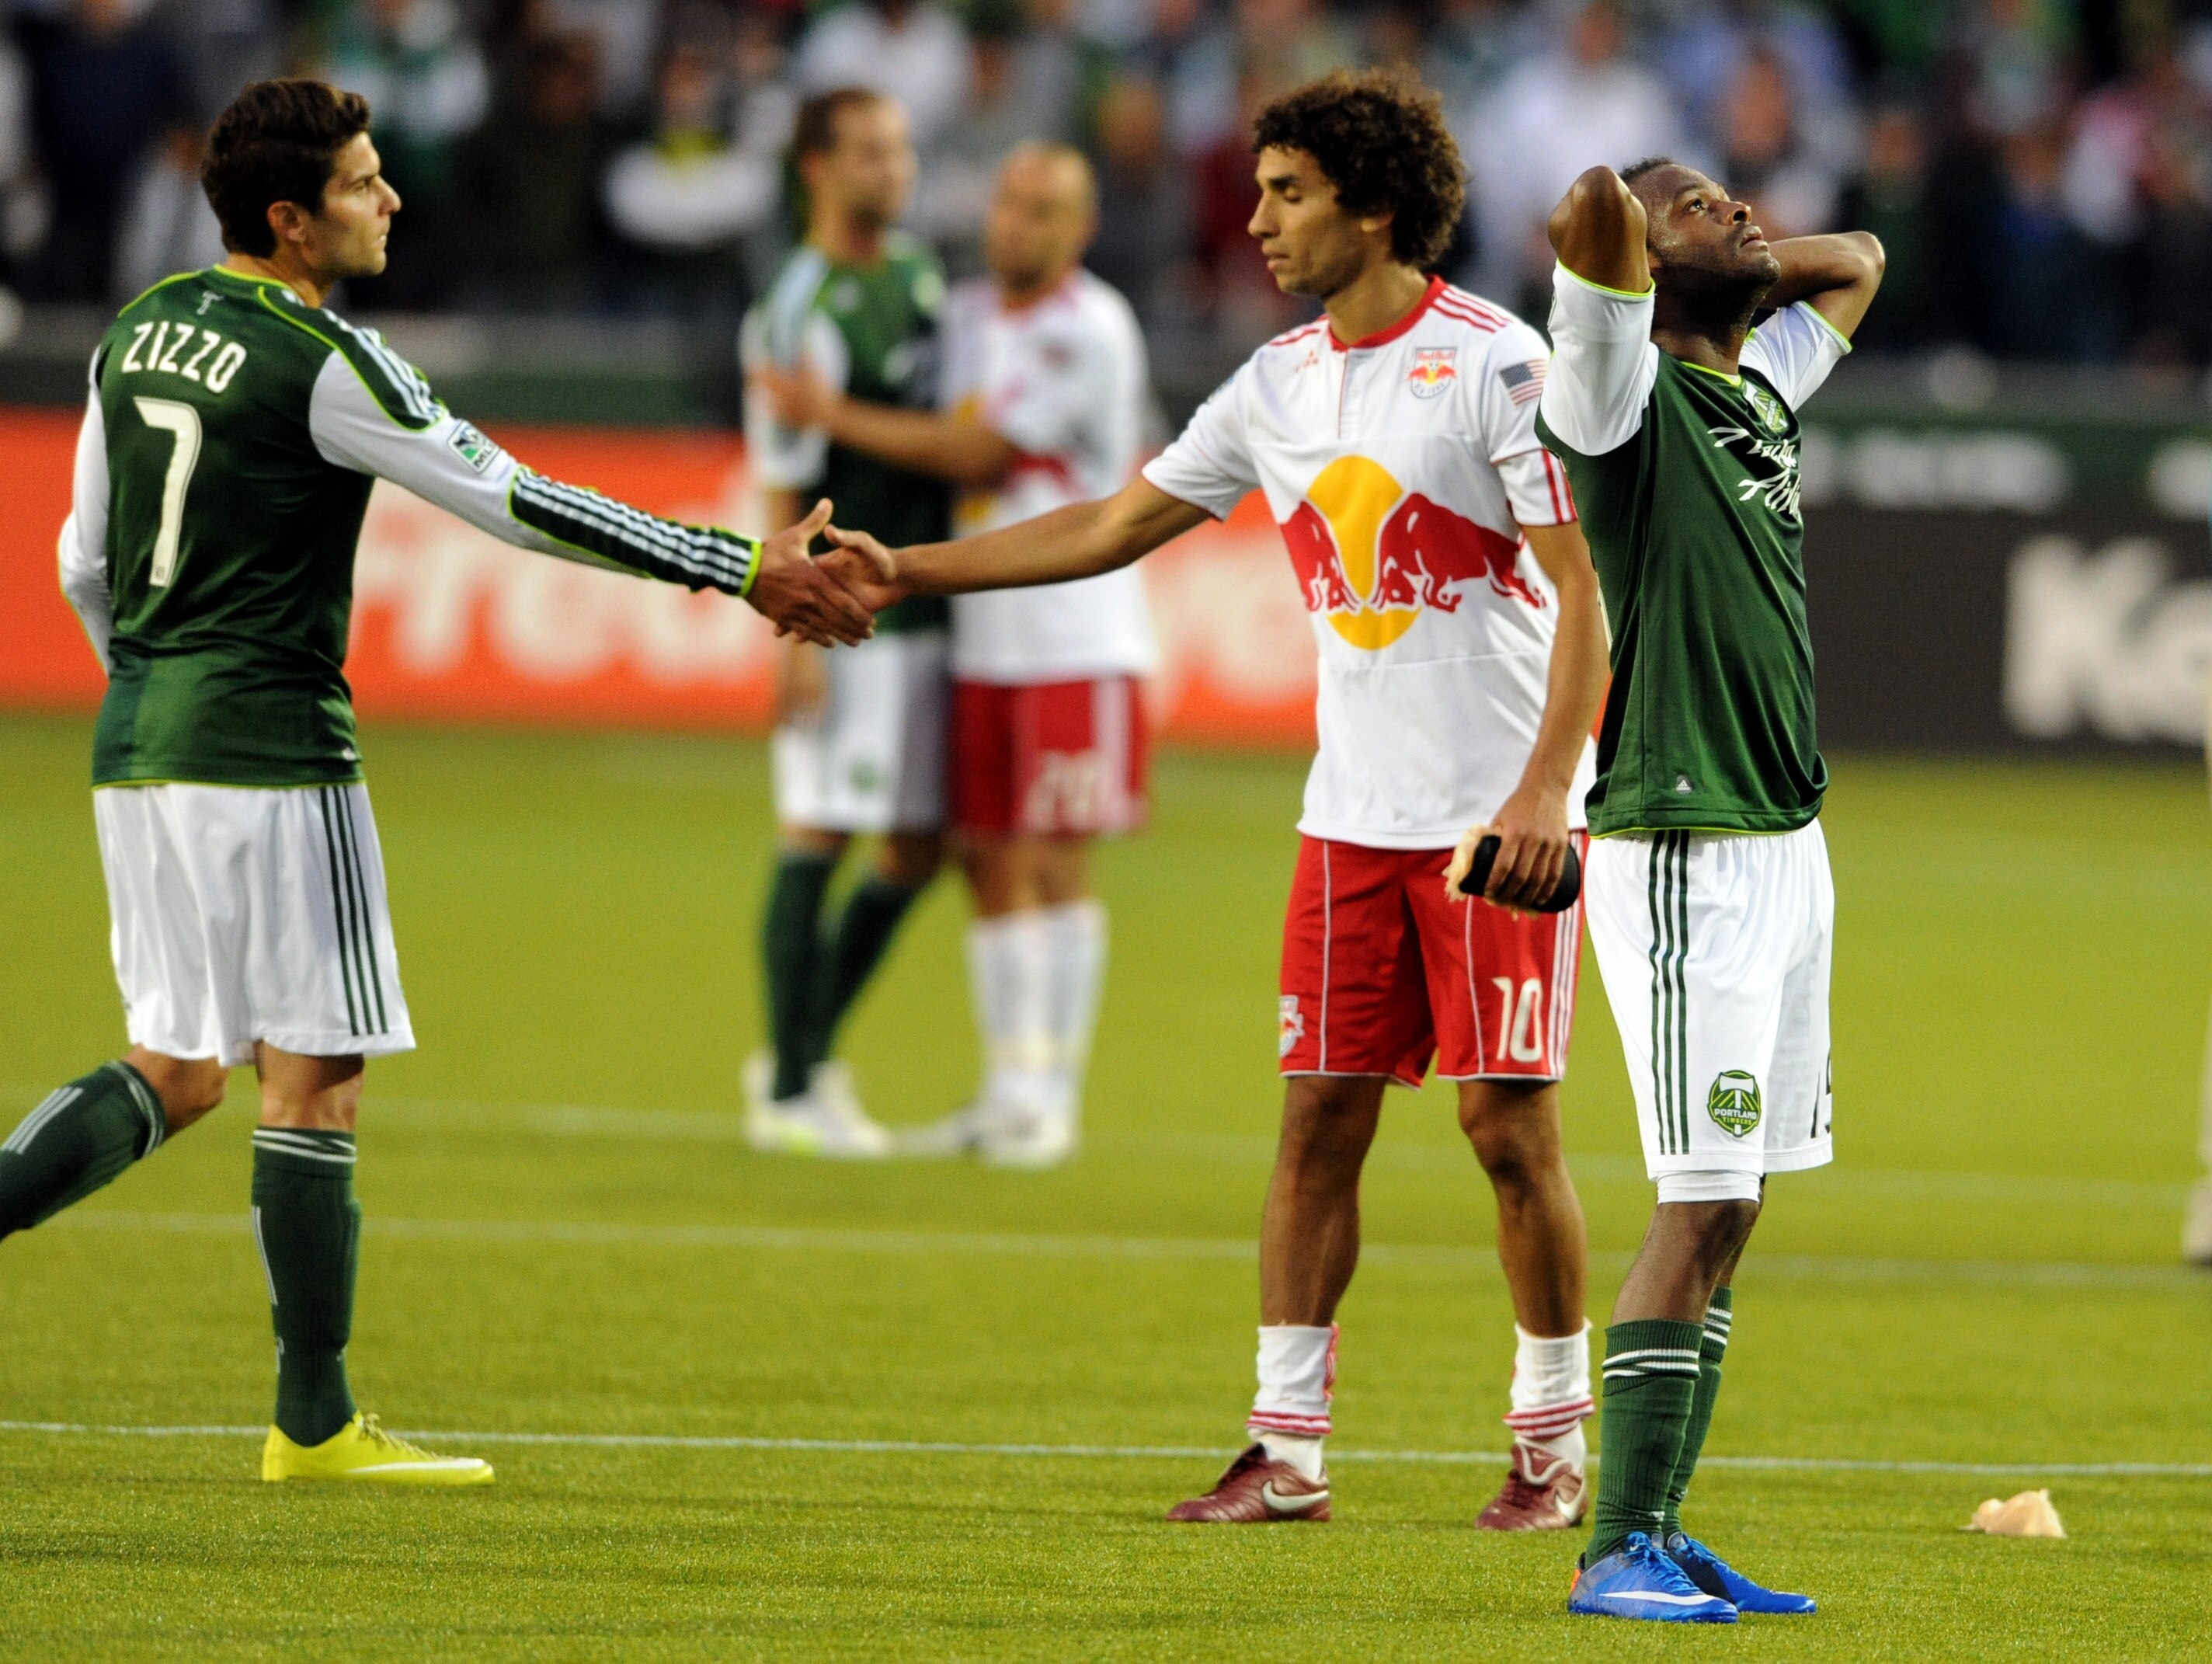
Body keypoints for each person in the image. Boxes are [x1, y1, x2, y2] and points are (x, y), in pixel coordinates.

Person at [2, 78, 873, 1487]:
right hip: (275, 747)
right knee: (315, 1079)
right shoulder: (325, 358)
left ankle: (310, 1419)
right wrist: (739, 562)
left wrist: (151, 686)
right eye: (362, 181)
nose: (390, 198)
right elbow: (517, 500)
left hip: (139, 743)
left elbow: (79, 564)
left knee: (176, 1068)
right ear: (291, 220)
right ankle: (314, 1424)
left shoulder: (137, 328)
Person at [817, 71, 1612, 1531]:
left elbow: (1584, 602)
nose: (1257, 222)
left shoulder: (1499, 366)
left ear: (1375, 209)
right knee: (1315, 1129)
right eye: (1260, 191)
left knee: (1510, 1134)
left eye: (1288, 193)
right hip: (1348, 821)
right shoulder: (1276, 382)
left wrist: (1546, 792)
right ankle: (1286, 1450)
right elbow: (1119, 519)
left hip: (1492, 827)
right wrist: (907, 569)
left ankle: (1554, 1444)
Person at [1531, 158, 1881, 1620]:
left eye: (1739, 196)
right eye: (1702, 205)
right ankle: (1614, 1546)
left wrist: (1728, 257)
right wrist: (1650, 237)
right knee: (1699, 1197)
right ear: (1646, 275)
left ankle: (1663, 1525)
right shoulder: (1617, 397)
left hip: (1788, 841)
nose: (1738, 210)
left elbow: (1860, 258)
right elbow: (1590, 209)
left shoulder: (1760, 387)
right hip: (1685, 843)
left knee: (1738, 1207)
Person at [757, 143, 1151, 1168]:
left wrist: (830, 414)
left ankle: (1052, 1099)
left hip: (1076, 635)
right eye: (1010, 201)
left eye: (1044, 208)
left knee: (1056, 858)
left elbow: (982, 452)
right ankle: (1008, 1090)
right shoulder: (963, 313)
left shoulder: (1090, 326)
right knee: (984, 858)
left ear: (1082, 227)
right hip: (980, 636)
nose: (1017, 222)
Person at [739, 88, 952, 1158]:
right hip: (843, 610)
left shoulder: (919, 274)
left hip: (925, 600)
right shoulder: (798, 305)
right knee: (820, 831)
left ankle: (805, 1047)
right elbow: (782, 480)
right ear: (816, 167)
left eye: (901, 149)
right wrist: (791, 641)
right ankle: (789, 1087)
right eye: (871, 151)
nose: (894, 168)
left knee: (917, 845)